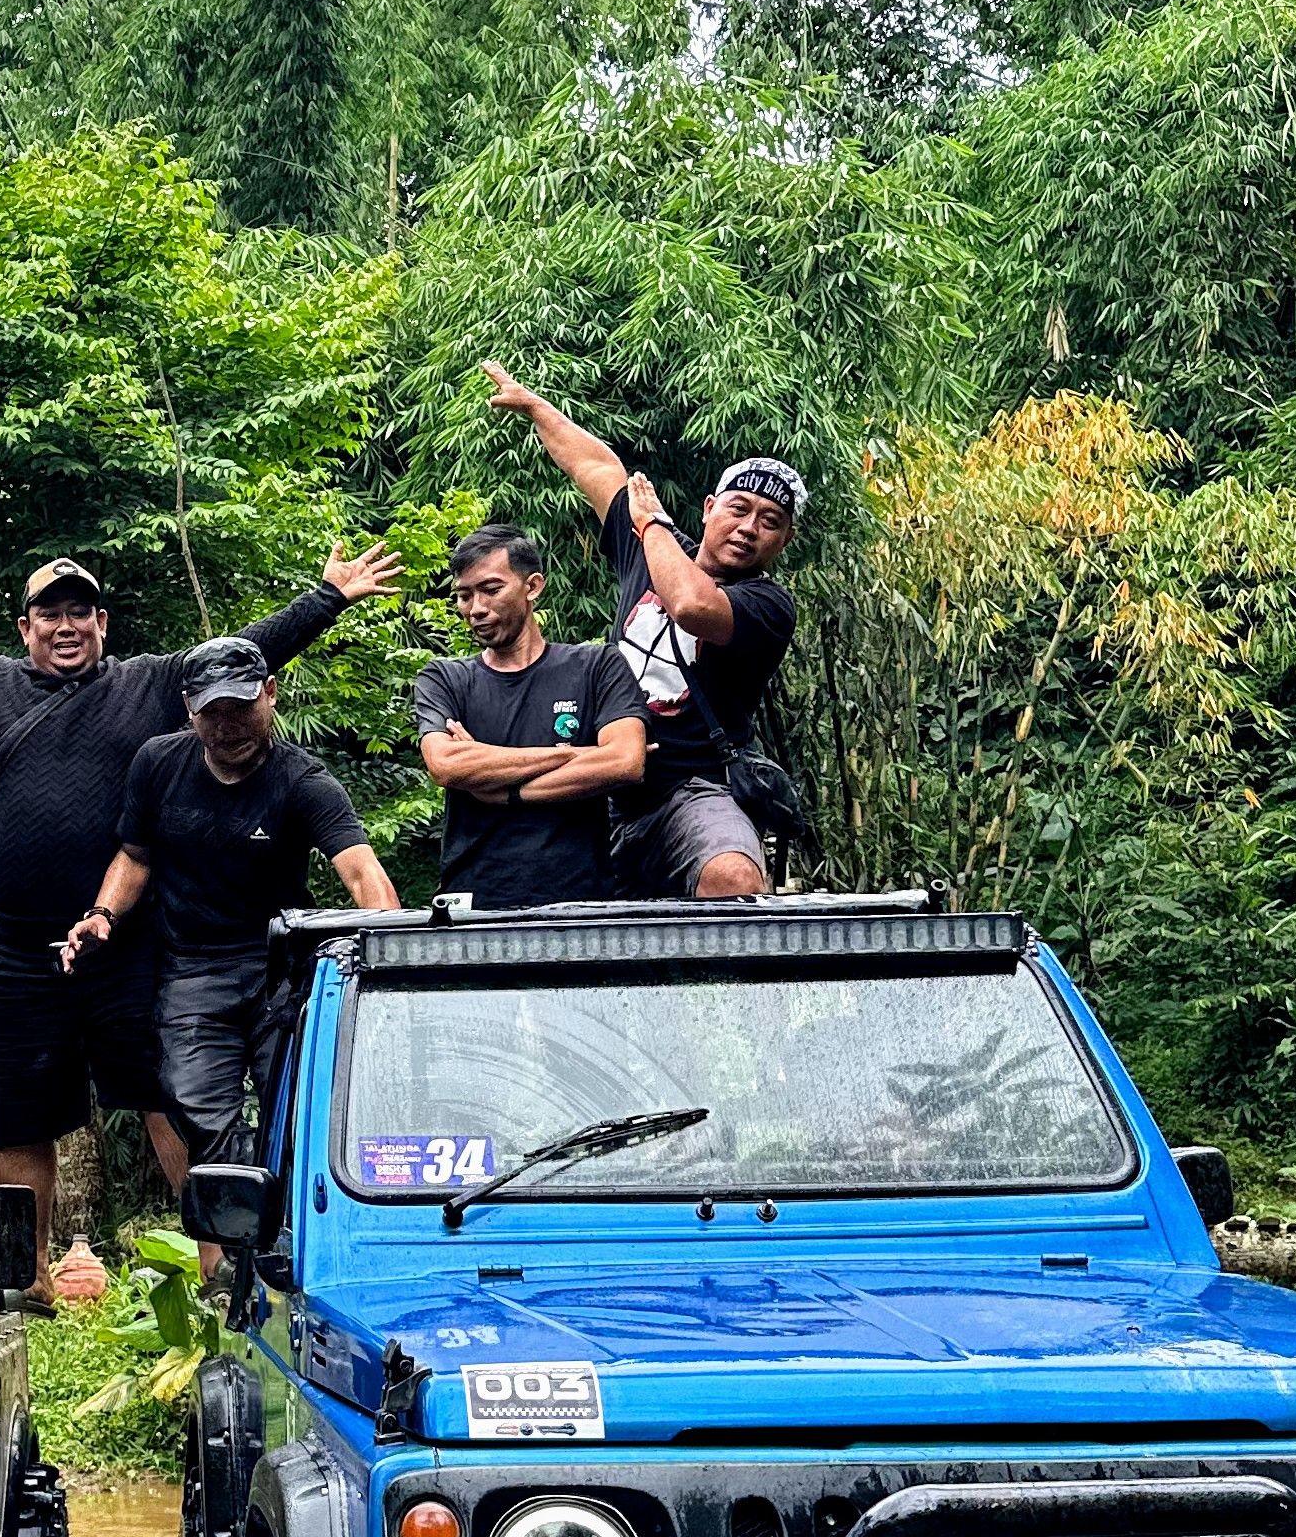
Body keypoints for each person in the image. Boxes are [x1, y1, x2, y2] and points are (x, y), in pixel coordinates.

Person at [0, 539, 402, 1250]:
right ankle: (22, 1280)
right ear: (25, 629)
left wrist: (328, 596)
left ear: (103, 623)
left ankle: (225, 1263)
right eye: (50, 613)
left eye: (81, 612)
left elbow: (241, 656)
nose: (67, 625)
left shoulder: (150, 684)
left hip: (126, 943)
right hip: (17, 950)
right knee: (20, 1115)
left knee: (171, 1099)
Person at [60, 636, 400, 1168]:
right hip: (192, 970)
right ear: (190, 710)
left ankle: (285, 1221)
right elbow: (135, 857)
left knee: (294, 1102)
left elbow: (362, 873)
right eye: (212, 713)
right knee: (191, 1100)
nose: (227, 727)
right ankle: (238, 1230)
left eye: (239, 709)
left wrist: (391, 951)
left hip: (280, 971)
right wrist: (101, 915)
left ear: (270, 693)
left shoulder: (303, 781)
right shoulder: (158, 763)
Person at [477, 368, 803, 900]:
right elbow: (598, 467)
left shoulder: (767, 605)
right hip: (600, 781)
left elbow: (692, 604)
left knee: (733, 877)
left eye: (770, 521)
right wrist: (537, 408)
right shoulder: (652, 544)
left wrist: (650, 524)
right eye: (739, 508)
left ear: (784, 540)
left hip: (692, 789)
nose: (748, 528)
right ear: (709, 509)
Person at [412, 524, 649, 910]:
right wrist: (575, 754)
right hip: (471, 902)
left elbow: (625, 762)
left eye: (491, 590)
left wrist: (504, 786)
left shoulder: (597, 665)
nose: (476, 609)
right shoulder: (445, 678)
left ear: (533, 586)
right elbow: (446, 764)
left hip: (582, 901)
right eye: (464, 595)